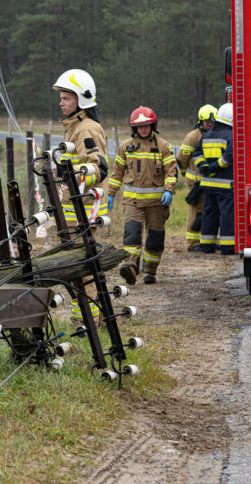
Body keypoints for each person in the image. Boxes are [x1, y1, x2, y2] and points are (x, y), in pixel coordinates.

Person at [52, 69, 108, 323]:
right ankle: (87, 320)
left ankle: (87, 322)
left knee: (81, 271)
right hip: (73, 213)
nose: (61, 103)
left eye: (66, 98)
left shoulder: (86, 129)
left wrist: (73, 171)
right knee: (76, 269)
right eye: (61, 98)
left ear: (82, 100)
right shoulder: (75, 127)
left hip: (83, 213)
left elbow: (99, 166)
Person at [107, 106, 177, 285]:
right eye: (140, 126)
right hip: (133, 203)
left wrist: (169, 190)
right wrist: (110, 194)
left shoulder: (163, 146)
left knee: (154, 240)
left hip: (157, 204)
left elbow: (171, 172)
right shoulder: (126, 147)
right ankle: (130, 267)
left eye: (147, 125)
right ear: (134, 128)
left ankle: (150, 271)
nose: (144, 129)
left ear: (153, 125)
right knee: (131, 237)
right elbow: (117, 173)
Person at [192, 102, 235, 254]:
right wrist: (214, 167)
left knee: (209, 215)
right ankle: (228, 247)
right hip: (225, 185)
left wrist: (204, 167)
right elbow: (228, 158)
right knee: (226, 216)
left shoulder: (207, 135)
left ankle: (206, 245)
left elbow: (196, 154)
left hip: (208, 185)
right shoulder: (231, 135)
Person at [177, 105, 217, 252]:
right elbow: (181, 158)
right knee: (197, 212)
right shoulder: (193, 137)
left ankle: (208, 240)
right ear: (201, 121)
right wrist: (185, 174)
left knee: (211, 211)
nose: (209, 124)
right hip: (196, 182)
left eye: (212, 122)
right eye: (207, 122)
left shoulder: (216, 134)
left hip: (212, 181)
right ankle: (193, 242)